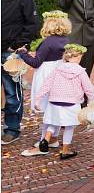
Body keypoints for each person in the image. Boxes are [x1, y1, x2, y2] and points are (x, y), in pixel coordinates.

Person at [17, 11, 73, 155]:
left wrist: (23, 53)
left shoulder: (48, 42)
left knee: (49, 110)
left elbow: (36, 62)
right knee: (54, 106)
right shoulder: (65, 40)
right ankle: (53, 138)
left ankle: (44, 143)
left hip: (46, 75)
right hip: (59, 74)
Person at [33, 43, 94, 159]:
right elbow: (88, 89)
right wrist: (93, 102)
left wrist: (38, 100)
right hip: (72, 103)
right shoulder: (80, 72)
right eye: (80, 57)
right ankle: (65, 151)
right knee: (69, 126)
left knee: (54, 122)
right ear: (77, 57)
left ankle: (46, 139)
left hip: (54, 101)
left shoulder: (57, 69)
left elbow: (46, 85)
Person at [1, 0, 38, 144]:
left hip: (11, 54)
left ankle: (12, 129)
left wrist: (16, 45)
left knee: (12, 92)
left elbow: (32, 26)